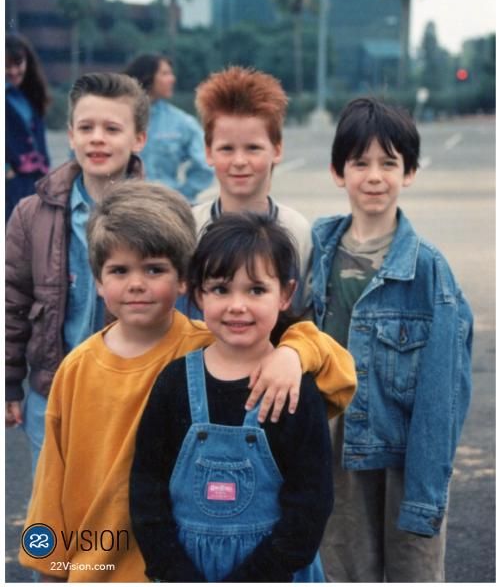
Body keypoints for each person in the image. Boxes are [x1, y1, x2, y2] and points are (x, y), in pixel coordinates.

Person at [19, 181, 356, 582]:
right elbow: (52, 477)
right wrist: (49, 566)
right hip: (105, 569)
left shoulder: (210, 341)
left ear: (184, 282)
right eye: (120, 270)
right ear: (97, 279)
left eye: (155, 269)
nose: (138, 283)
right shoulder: (76, 369)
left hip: (189, 566)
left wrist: (295, 351)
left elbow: (339, 371)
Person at [311, 97, 473, 582]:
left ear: (410, 173)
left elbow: (443, 394)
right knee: (340, 568)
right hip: (333, 451)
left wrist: (426, 494)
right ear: (339, 172)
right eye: (360, 162)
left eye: (389, 162)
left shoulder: (428, 270)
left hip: (403, 456)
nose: (375, 176)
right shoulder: (316, 250)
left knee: (412, 570)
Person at [130, 212, 341, 582]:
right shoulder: (174, 382)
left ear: (286, 294)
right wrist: (177, 574)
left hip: (275, 573)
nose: (237, 305)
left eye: (256, 289)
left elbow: (310, 503)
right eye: (221, 289)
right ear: (198, 294)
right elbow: (147, 489)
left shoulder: (295, 389)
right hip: (187, 571)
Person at [5, 72, 149, 476]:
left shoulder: (160, 216)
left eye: (112, 128)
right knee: (49, 516)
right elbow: (12, 305)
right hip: (51, 396)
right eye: (86, 127)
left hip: (129, 396)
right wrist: (9, 385)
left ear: (139, 138)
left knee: (115, 515)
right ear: (70, 135)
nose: (97, 138)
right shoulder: (30, 215)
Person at [192, 66, 312, 306]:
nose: (239, 162)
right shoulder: (188, 227)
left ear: (277, 150)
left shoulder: (298, 231)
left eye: (253, 148)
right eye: (226, 149)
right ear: (208, 152)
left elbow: (304, 314)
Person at [124, 53, 214, 202]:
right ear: (146, 76)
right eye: (165, 73)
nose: (173, 79)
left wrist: (178, 196)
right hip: (119, 208)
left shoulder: (182, 122)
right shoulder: (113, 119)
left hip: (165, 210)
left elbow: (205, 166)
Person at [5, 33, 51, 222]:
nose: (14, 71)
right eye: (7, 65)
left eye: (18, 64)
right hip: (10, 184)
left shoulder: (29, 96)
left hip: (35, 182)